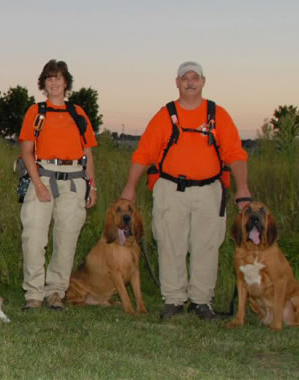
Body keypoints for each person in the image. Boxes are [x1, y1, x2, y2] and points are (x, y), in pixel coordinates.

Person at [120, 61, 251, 320]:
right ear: (177, 82)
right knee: (170, 243)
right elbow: (144, 153)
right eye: (184, 78)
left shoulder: (217, 115)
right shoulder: (165, 115)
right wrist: (129, 187)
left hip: (210, 189)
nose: (189, 82)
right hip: (170, 189)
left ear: (203, 81)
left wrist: (242, 188)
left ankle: (202, 302)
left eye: (194, 77)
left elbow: (235, 154)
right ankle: (174, 300)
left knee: (207, 245)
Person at [19, 60, 98, 311]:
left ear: (66, 83)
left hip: (74, 179)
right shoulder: (36, 112)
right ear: (44, 83)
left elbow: (88, 153)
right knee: (34, 237)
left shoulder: (78, 113)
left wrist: (91, 186)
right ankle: (33, 292)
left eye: (58, 78)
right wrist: (38, 184)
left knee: (66, 239)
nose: (54, 82)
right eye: (49, 78)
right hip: (42, 175)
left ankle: (55, 292)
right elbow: (27, 151)